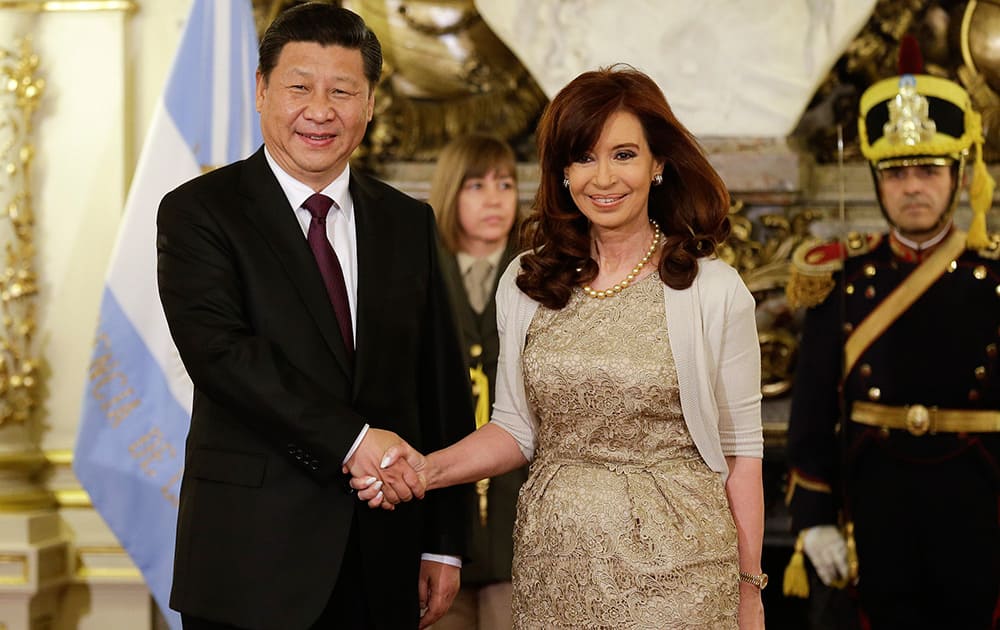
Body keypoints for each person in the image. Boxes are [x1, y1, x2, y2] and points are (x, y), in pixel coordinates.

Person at [359, 65, 767, 629]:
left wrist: (750, 591)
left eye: (624, 154)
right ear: (562, 172)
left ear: (659, 165)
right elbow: (514, 429)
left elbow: (742, 455)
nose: (604, 177)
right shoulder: (527, 281)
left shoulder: (713, 290)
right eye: (583, 156)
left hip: (684, 572)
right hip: (554, 566)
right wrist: (425, 470)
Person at [155, 4, 473, 629]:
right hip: (249, 560)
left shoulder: (407, 223)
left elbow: (441, 387)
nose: (320, 110)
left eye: (342, 90)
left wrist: (443, 541)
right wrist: (352, 442)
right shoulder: (201, 212)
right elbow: (223, 356)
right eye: (299, 87)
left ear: (371, 103)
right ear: (261, 90)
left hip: (383, 557)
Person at [784, 36, 1000, 630]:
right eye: (897, 172)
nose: (912, 187)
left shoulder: (997, 280)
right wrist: (814, 515)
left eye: (928, 170)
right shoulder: (840, 275)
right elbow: (809, 418)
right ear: (877, 180)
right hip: (875, 513)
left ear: (959, 175)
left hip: (981, 513)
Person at [426, 135, 528, 630]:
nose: (494, 198)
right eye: (477, 185)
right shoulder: (422, 273)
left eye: (505, 184)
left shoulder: (538, 275)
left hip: (519, 523)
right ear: (450, 193)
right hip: (440, 526)